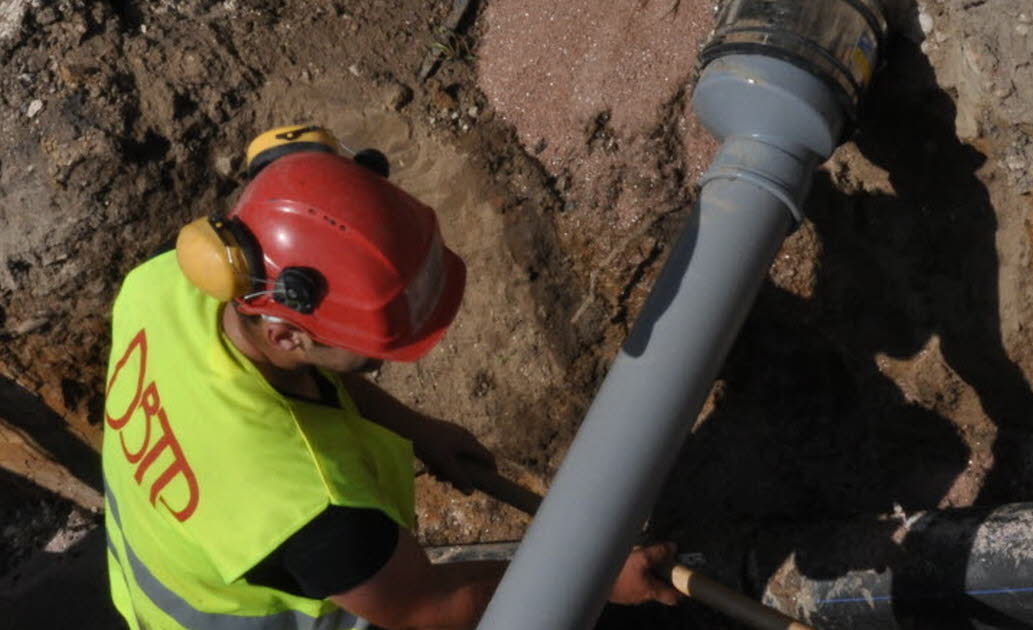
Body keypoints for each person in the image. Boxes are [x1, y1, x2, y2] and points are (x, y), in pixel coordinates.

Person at [101, 126, 680, 630]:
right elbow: (430, 608)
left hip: (174, 570)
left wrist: (414, 427)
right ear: (286, 334)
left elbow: (303, 372)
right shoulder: (307, 509)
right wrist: (598, 580)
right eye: (368, 348)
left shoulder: (163, 287)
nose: (382, 362)